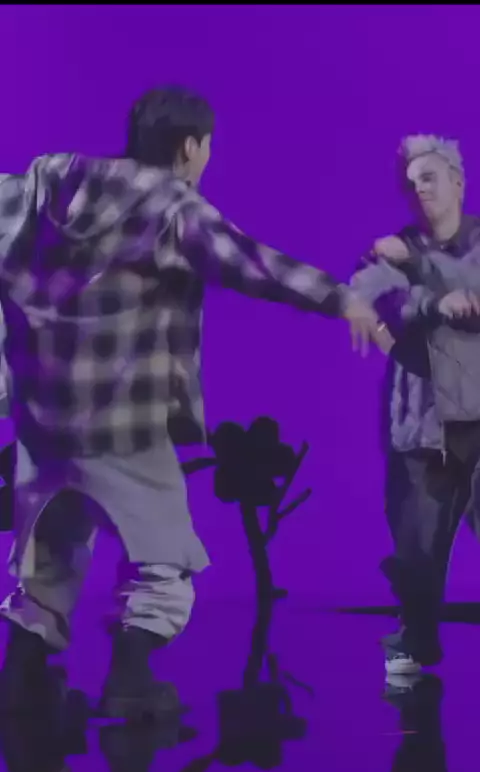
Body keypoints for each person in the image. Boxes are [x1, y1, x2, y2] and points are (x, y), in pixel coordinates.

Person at [0, 85, 378, 720]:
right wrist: (342, 299)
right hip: (124, 426)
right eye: (206, 149)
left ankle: (20, 681)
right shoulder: (172, 206)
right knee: (162, 560)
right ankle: (130, 682)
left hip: (43, 424)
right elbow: (251, 263)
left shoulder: (47, 183)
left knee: (49, 553)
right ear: (188, 147)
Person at [348, 134, 480, 678]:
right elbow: (370, 298)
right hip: (426, 426)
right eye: (409, 184)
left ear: (458, 182)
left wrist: (424, 269)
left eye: (428, 177)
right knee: (417, 548)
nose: (418, 189)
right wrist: (431, 301)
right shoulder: (392, 252)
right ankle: (416, 644)